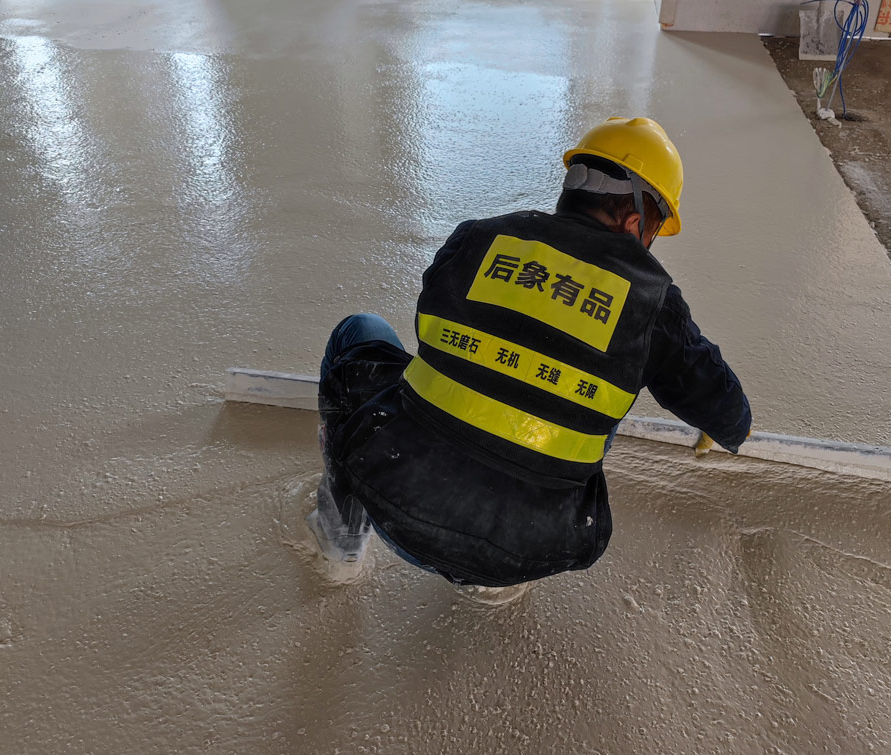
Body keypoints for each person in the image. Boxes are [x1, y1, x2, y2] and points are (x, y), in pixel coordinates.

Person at [307, 116, 751, 589]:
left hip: (394, 505)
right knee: (606, 382)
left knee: (360, 331)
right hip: (528, 551)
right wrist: (710, 419)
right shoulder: (652, 302)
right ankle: (490, 585)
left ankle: (341, 541)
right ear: (635, 221)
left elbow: (429, 332)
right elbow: (732, 419)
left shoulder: (477, 238)